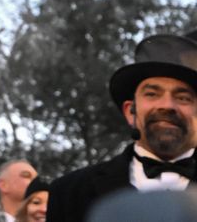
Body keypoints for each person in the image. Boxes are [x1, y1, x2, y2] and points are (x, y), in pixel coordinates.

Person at [48, 34, 197, 222]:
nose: (167, 105)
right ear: (130, 111)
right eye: (152, 94)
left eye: (183, 97)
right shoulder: (70, 193)